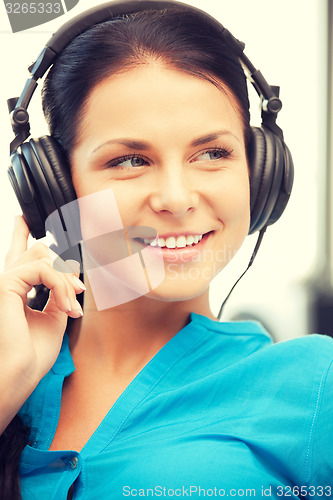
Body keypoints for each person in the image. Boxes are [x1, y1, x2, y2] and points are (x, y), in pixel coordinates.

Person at [0, 1, 332, 499]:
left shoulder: (315, 386)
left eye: (213, 153)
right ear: (57, 189)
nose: (176, 199)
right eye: (131, 159)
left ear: (260, 174)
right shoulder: (8, 370)